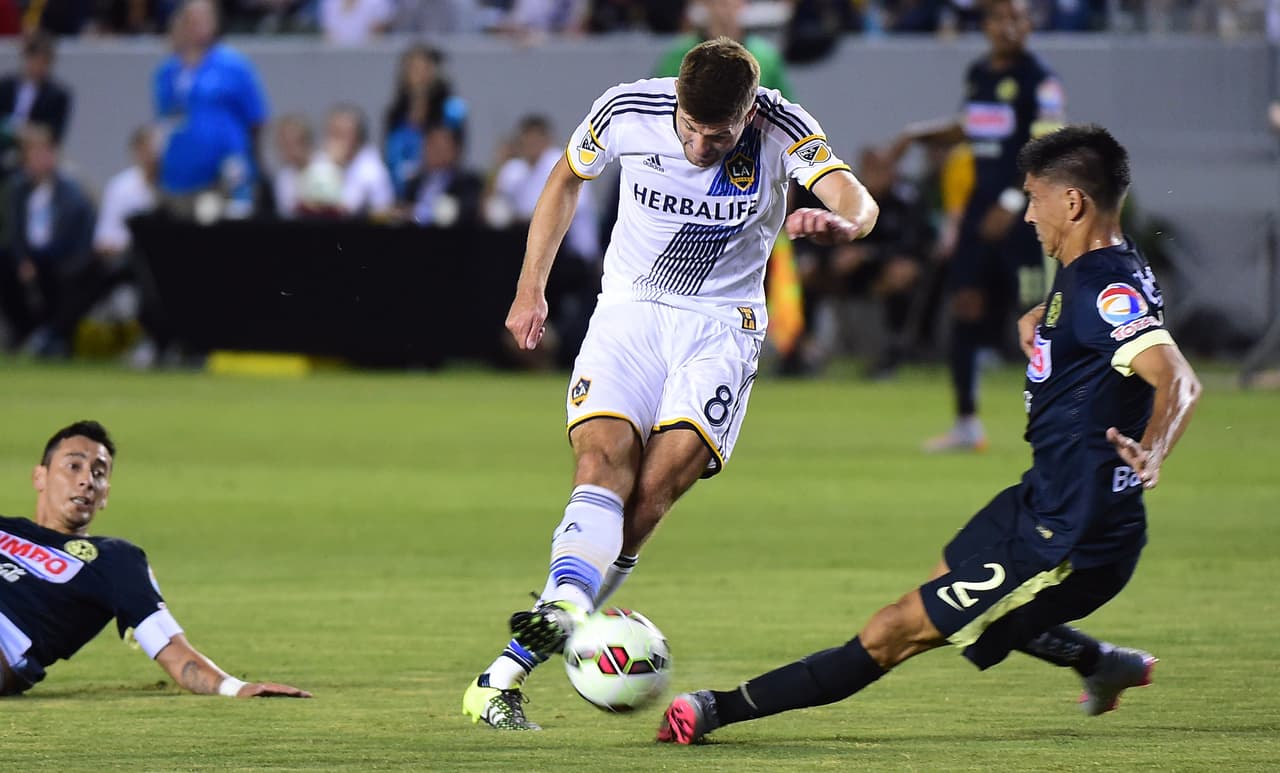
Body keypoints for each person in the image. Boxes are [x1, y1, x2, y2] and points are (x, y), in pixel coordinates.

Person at [655, 124, 1202, 744]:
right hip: (1045, 495)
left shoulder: (1103, 285)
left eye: (1034, 198)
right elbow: (1102, 334)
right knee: (952, 569)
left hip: (1074, 528)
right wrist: (1042, 324)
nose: (1027, 214)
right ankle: (1101, 664)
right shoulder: (1095, 270)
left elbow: (1177, 379)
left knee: (894, 632)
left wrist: (1153, 448)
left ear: (1073, 203)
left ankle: (715, 709)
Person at [462, 37, 879, 730]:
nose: (696, 147)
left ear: (748, 114)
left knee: (651, 495)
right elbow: (566, 177)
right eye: (688, 128)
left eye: (716, 136)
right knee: (600, 462)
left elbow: (853, 196)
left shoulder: (784, 126)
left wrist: (844, 224)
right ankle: (559, 614)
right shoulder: (630, 107)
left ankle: (506, 668)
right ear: (676, 101)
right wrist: (529, 286)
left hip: (720, 329)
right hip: (628, 312)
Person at [0, 421, 312, 698]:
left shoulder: (114, 560)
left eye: (99, 473)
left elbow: (169, 645)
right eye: (74, 467)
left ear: (106, 493)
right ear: (40, 477)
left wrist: (234, 687)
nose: (87, 481)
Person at [888, 0, 1065, 452]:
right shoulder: (979, 74)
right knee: (965, 304)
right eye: (1003, 17)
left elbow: (1047, 146)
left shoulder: (1039, 79)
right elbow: (969, 128)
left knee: (1035, 317)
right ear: (987, 25)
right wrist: (913, 135)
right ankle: (967, 422)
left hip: (1023, 213)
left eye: (1020, 18)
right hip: (977, 209)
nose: (1012, 26)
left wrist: (1011, 199)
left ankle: (1059, 423)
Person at [153, 0, 270, 220]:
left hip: (227, 172)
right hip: (179, 174)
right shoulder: (168, 70)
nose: (199, 25)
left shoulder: (233, 65)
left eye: (205, 18)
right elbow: (165, 119)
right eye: (193, 19)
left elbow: (256, 119)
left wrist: (251, 163)